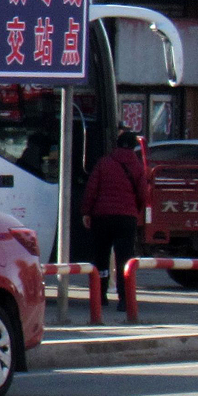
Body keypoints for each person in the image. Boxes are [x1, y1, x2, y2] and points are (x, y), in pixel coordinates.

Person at [81, 130, 147, 309]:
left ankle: (100, 296)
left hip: (102, 218)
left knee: (101, 258)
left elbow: (91, 190)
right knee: (124, 259)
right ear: (134, 147)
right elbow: (143, 194)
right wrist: (135, 211)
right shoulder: (137, 166)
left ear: (117, 144)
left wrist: (86, 212)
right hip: (126, 219)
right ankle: (125, 300)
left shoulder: (104, 163)